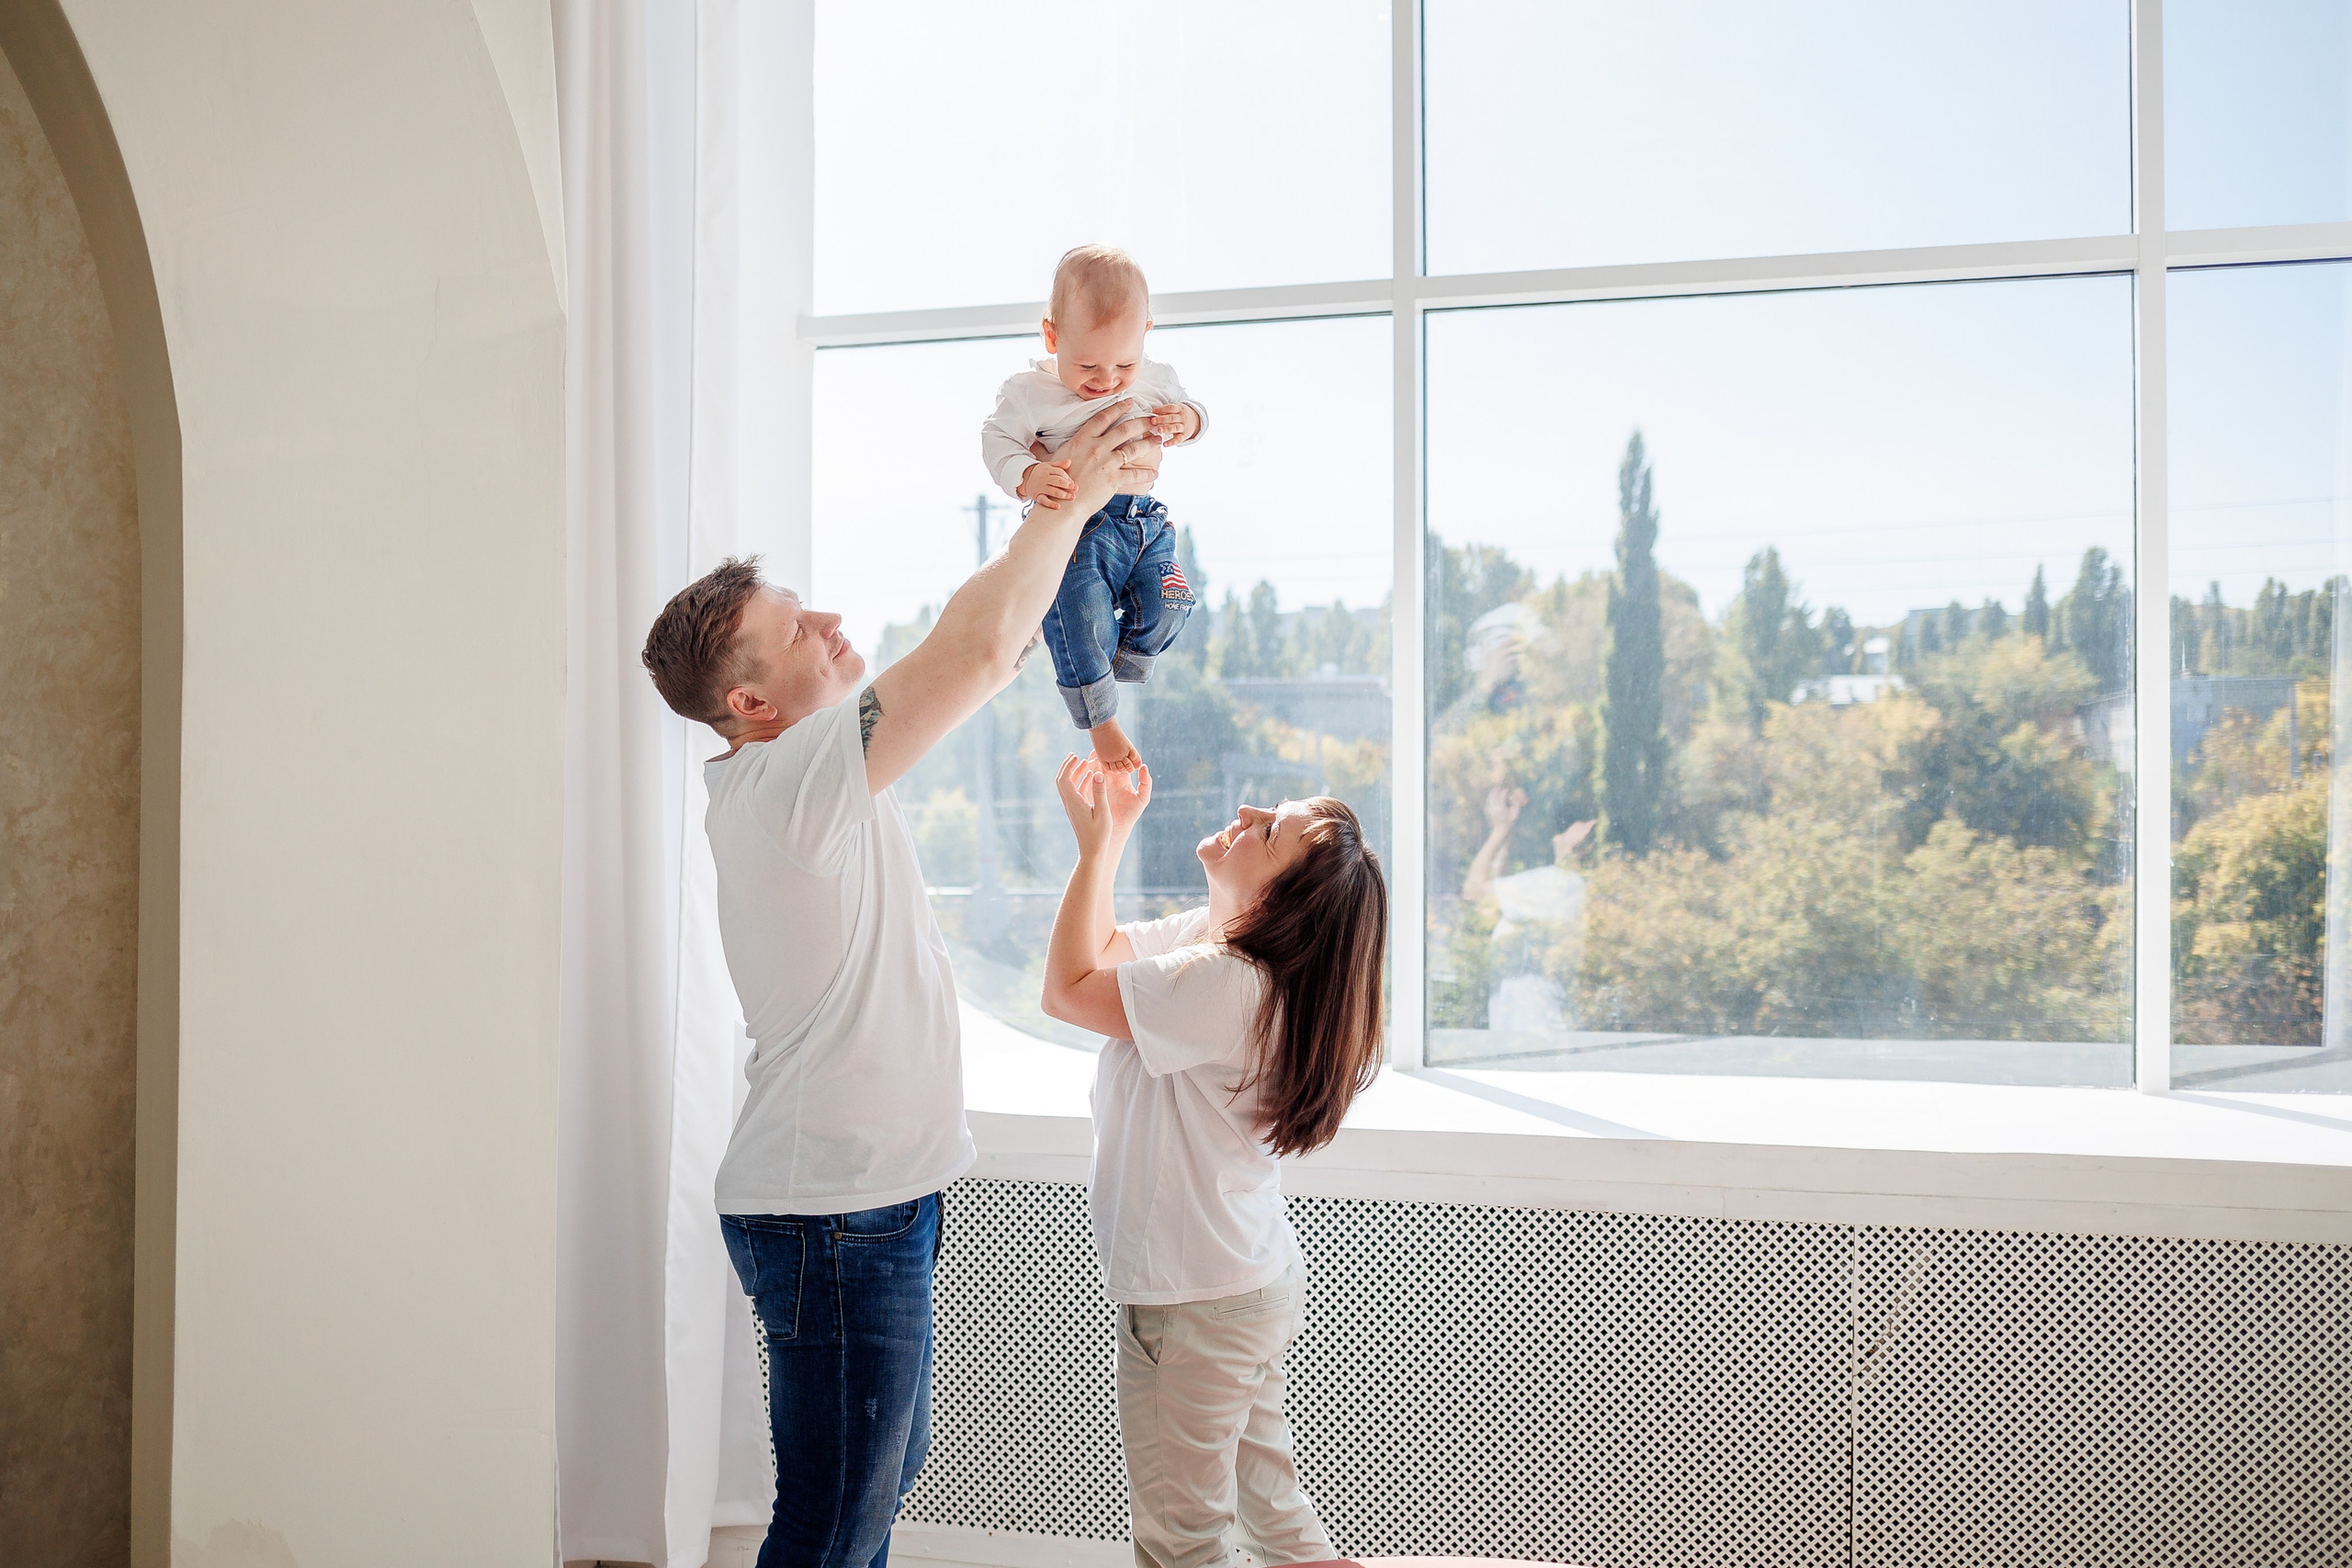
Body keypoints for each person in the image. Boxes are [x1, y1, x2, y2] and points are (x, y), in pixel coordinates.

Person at [637, 398, 1160, 1568]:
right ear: (750, 706)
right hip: (833, 1211)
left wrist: (1068, 522)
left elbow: (1000, 641)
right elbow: (971, 649)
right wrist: (1064, 485)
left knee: (864, 1501)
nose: (828, 620)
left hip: (874, 1200)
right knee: (832, 1526)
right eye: (795, 629)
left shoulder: (808, 777)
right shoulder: (788, 784)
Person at [1040, 758, 1386, 1568]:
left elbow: (1065, 990)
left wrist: (1094, 851)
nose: (1246, 807)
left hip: (1194, 1300)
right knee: (1275, 1517)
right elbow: (1101, 949)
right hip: (1239, 1284)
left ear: (1278, 901)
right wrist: (1114, 831)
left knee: (1181, 1541)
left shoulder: (1227, 982)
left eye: (1269, 829)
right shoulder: (1214, 947)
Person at [981, 244, 1208, 774]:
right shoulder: (1028, 392)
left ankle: (1120, 661)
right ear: (1052, 336)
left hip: (1146, 522)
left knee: (1172, 601)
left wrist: (1187, 421)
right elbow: (996, 440)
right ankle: (1100, 717)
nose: (1106, 380)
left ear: (1146, 335)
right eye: (1087, 365)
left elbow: (1196, 414)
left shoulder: (1157, 379)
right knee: (1080, 610)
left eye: (1123, 364)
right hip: (1081, 529)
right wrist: (1028, 475)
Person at [1461, 783, 1594, 1037]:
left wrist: (1500, 830)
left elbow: (1474, 890)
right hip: (1533, 1027)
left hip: (1532, 1030)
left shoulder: (1560, 884)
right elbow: (1498, 899)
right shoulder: (1562, 888)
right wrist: (1506, 832)